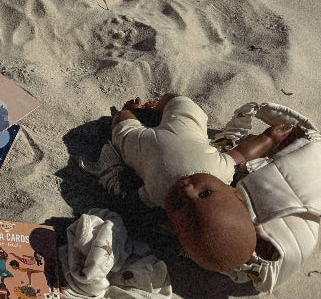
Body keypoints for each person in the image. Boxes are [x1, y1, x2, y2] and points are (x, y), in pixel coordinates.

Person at [108, 93, 303, 273]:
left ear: (174, 226)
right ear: (235, 194)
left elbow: (130, 199)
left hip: (142, 145)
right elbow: (243, 153)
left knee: (121, 125)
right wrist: (268, 138)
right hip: (184, 128)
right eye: (205, 194)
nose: (187, 191)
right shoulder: (221, 172)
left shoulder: (156, 195)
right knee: (180, 102)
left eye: (179, 205)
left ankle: (133, 112)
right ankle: (159, 106)